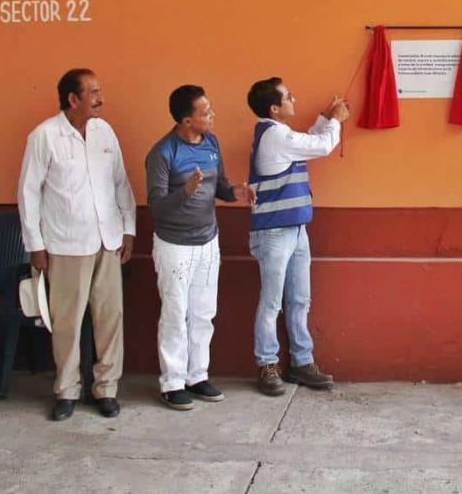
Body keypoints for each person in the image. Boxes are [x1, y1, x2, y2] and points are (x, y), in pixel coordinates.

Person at [18, 68, 136, 422]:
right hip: (66, 244)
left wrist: (129, 228)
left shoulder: (104, 131)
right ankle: (67, 390)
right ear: (73, 99)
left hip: (108, 240)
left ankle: (106, 388)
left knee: (109, 317)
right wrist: (35, 245)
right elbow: (27, 193)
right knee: (67, 322)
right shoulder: (44, 136)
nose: (100, 98)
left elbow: (121, 182)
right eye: (93, 92)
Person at [145, 85, 255, 410]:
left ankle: (198, 375)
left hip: (209, 241)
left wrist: (236, 191)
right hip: (174, 245)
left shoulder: (211, 143)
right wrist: (185, 192)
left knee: (204, 312)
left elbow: (219, 186)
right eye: (205, 113)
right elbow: (156, 207)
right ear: (186, 120)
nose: (212, 116)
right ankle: (172, 382)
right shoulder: (163, 153)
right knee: (175, 314)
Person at [246, 78, 349, 396]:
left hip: (294, 228)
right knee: (272, 302)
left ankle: (301, 363)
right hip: (276, 231)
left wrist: (325, 118)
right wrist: (335, 121)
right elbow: (321, 146)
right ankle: (267, 365)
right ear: (274, 108)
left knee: (299, 299)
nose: (294, 98)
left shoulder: (277, 134)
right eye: (288, 96)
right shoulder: (275, 135)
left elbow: (305, 142)